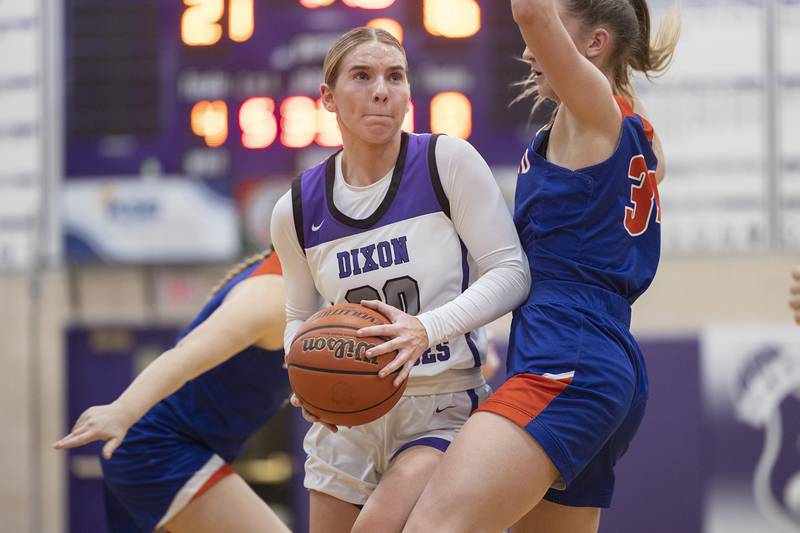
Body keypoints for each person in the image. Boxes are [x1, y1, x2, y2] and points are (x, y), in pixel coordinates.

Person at [403, 1, 680, 532]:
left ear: (595, 44)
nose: (529, 51)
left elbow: (530, 11)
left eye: (552, 35)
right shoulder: (630, 123)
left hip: (568, 351)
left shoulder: (594, 109)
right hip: (595, 352)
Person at [270, 27, 530, 533]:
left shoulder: (445, 163)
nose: (382, 90)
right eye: (362, 76)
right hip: (346, 414)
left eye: (395, 76)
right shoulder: (296, 208)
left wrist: (425, 329)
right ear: (327, 98)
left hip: (440, 402)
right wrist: (302, 371)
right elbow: (298, 316)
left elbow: (512, 272)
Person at [54, 251, 291, 533]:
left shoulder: (304, 297)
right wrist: (123, 410)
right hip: (162, 448)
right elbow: (186, 353)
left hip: (165, 448)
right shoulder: (274, 295)